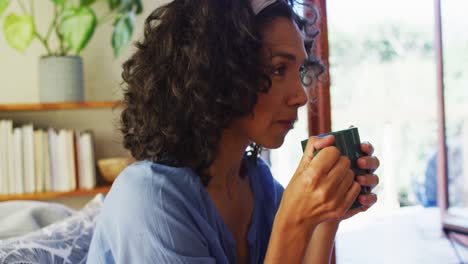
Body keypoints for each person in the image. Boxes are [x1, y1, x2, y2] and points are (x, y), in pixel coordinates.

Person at [87, 0, 380, 263]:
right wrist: (294, 223)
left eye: (300, 72)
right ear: (218, 71)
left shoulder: (260, 186)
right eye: (279, 70)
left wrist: (326, 219)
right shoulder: (149, 201)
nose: (301, 96)